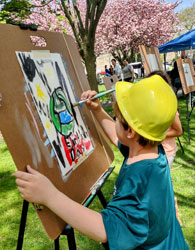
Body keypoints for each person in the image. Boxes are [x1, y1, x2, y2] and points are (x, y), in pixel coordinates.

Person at [14, 75, 189, 250]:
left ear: (131, 132)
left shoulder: (137, 184)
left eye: (117, 119)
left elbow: (104, 228)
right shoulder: (152, 152)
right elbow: (118, 136)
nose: (115, 121)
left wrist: (50, 196)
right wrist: (97, 111)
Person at [148, 70, 183, 226]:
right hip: (154, 151)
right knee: (160, 183)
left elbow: (178, 130)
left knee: (161, 185)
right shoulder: (151, 102)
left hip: (167, 151)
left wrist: (157, 135)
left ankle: (173, 216)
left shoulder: (170, 105)